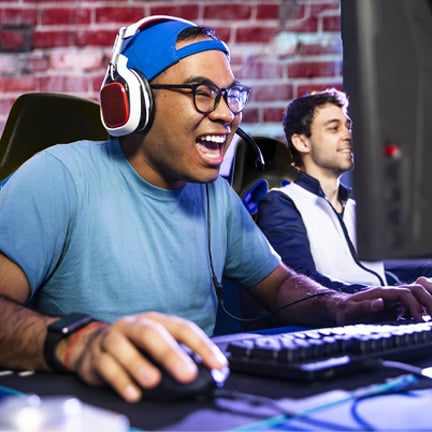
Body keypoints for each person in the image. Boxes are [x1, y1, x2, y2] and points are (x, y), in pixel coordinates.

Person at [1, 18, 432, 404]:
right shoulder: (58, 176)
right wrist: (79, 344)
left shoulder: (216, 198)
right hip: (84, 410)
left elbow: (280, 287)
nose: (227, 114)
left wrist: (344, 306)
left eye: (231, 95)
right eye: (203, 94)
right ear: (133, 104)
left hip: (190, 402)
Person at [257, 88, 432, 293]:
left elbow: (387, 269)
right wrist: (379, 296)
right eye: (334, 128)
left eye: (348, 127)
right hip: (334, 320)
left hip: (381, 316)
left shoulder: (355, 208)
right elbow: (300, 283)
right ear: (302, 142)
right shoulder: (282, 204)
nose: (348, 135)